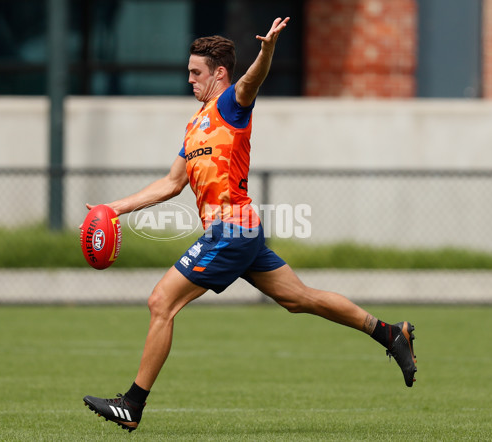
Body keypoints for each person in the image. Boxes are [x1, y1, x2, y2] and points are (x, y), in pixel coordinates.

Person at [83, 17, 417, 433]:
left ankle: (132, 405)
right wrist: (113, 208)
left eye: (195, 72)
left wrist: (267, 51)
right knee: (300, 298)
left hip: (231, 230)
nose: (188, 79)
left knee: (160, 303)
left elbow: (251, 82)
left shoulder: (230, 105)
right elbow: (171, 184)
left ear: (218, 73)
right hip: (239, 232)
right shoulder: (194, 125)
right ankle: (389, 334)